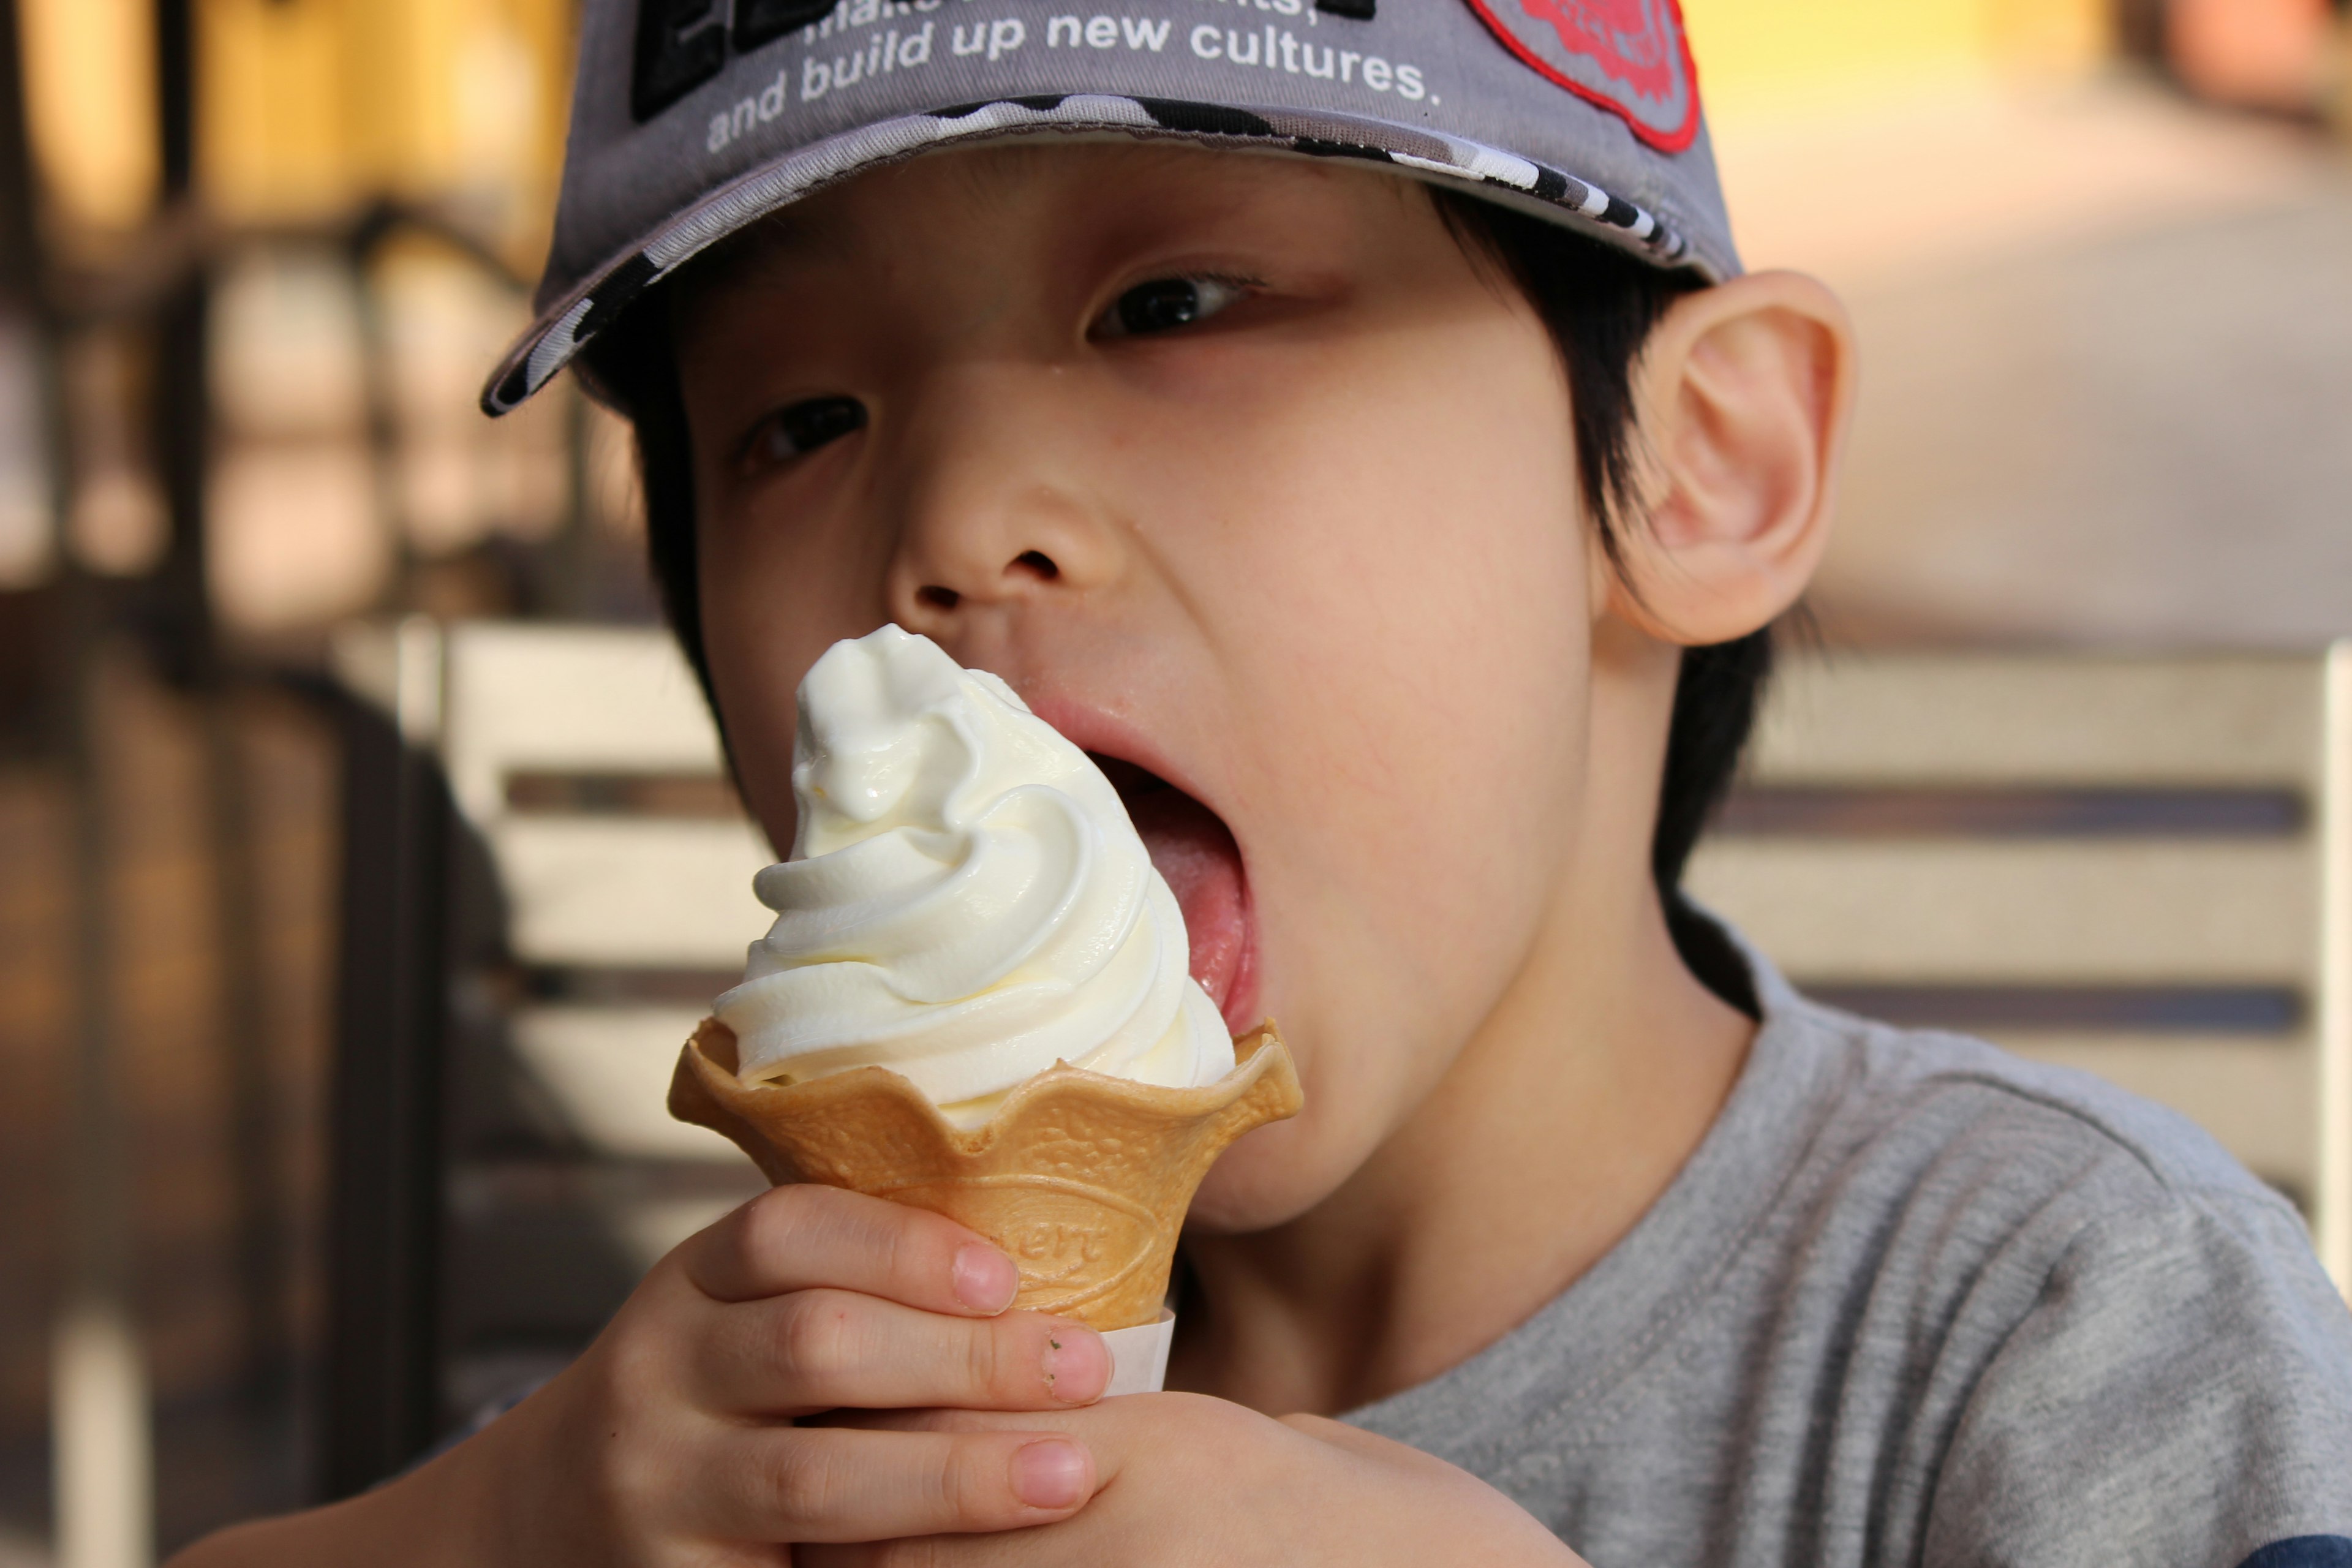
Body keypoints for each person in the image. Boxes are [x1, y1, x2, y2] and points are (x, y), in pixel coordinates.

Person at [174, 3, 2352, 1563]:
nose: (958, 507)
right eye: (798, 422)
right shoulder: (799, 1415)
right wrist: (509, 1524)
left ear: (1702, 466)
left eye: (1177, 300)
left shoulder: (2075, 1335)